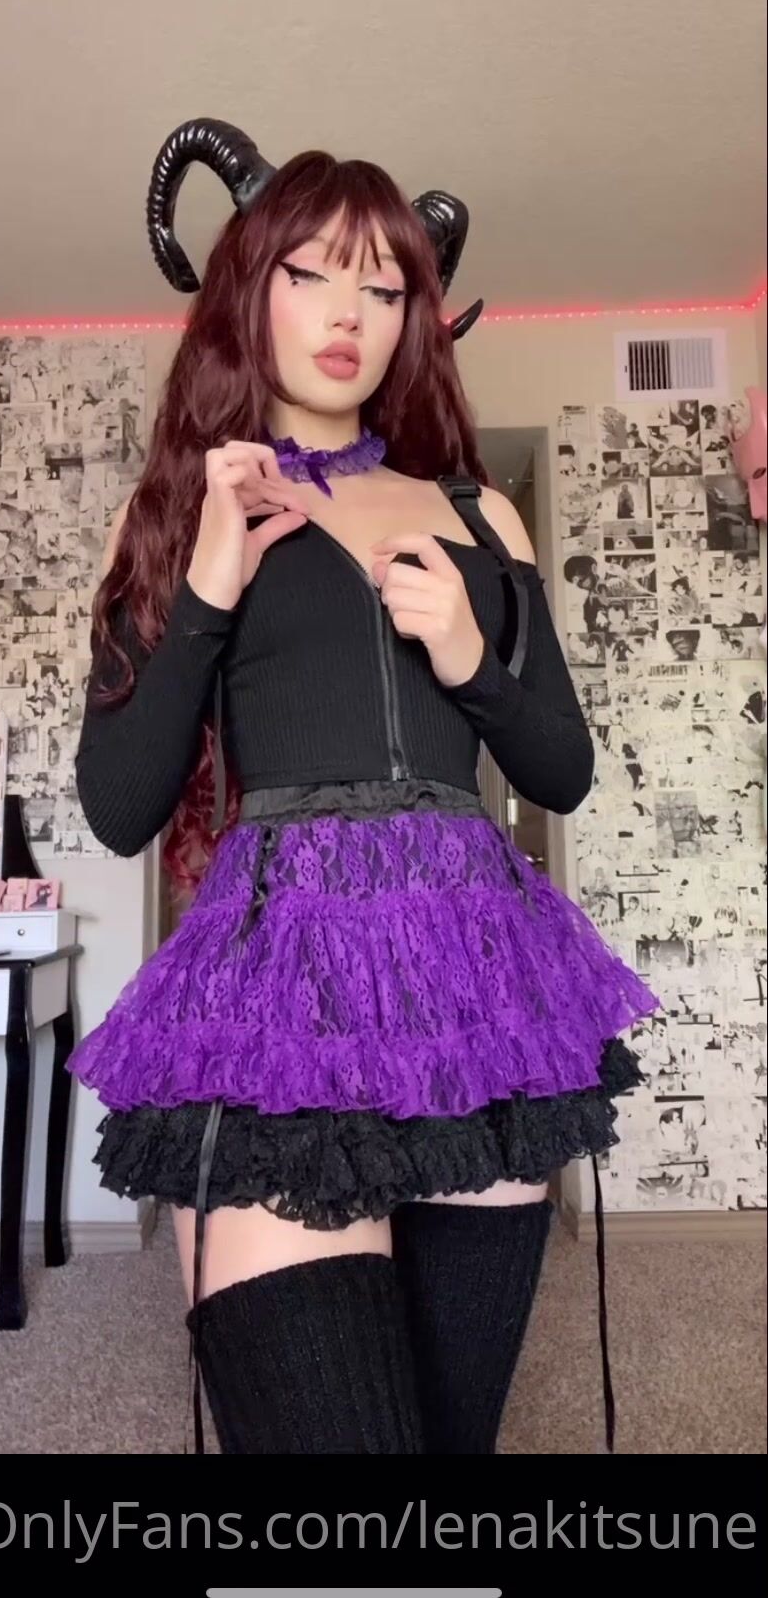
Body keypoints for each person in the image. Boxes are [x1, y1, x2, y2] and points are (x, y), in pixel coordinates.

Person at [67, 118, 660, 1457]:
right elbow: (119, 805)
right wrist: (208, 587)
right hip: (283, 994)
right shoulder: (176, 512)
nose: (350, 314)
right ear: (251, 286)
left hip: (473, 998)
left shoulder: (477, 513)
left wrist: (470, 657)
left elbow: (560, 769)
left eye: (384, 287)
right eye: (313, 274)